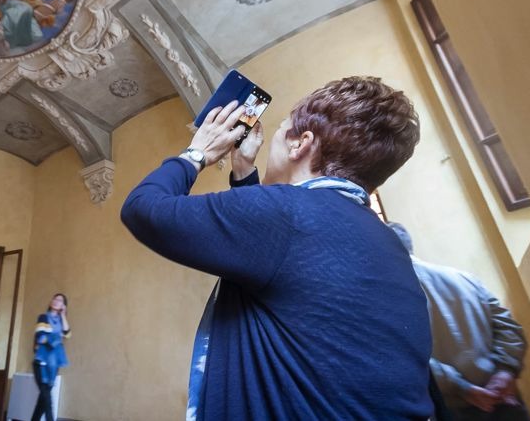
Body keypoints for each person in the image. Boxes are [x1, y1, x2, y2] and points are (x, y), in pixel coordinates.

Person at [121, 76, 433, 420]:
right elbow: (271, 260)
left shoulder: (285, 213)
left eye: (282, 130)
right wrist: (243, 170)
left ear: (301, 144)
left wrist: (198, 152)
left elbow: (143, 208)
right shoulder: (387, 241)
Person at [388, 222, 530, 421]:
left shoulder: (389, 297)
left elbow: (408, 355)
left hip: (455, 407)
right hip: (505, 399)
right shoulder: (465, 278)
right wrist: (504, 372)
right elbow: (509, 327)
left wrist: (461, 387)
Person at [31, 293, 71, 421]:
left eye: (60, 300)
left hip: (54, 363)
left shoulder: (61, 321)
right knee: (47, 398)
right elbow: (40, 336)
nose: (56, 301)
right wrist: (55, 340)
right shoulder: (43, 317)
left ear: (63, 306)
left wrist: (63, 315)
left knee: (43, 400)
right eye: (55, 299)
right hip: (41, 362)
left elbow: (67, 333)